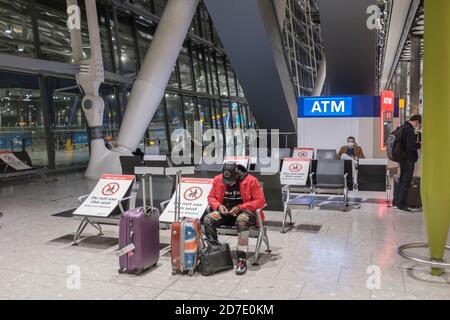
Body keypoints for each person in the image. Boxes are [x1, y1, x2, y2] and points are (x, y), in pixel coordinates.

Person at [204, 162, 266, 275]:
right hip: (226, 213)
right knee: (208, 219)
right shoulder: (218, 179)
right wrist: (218, 206)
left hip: (246, 213)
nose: (229, 184)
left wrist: (240, 207)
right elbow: (211, 196)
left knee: (241, 221)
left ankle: (241, 259)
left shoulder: (251, 180)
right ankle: (215, 252)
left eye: (231, 181)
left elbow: (261, 201)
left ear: (237, 175)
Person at [394, 114, 422, 212]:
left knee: (402, 180)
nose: (417, 125)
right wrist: (419, 145)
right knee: (406, 182)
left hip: (402, 159)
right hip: (408, 159)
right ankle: (402, 205)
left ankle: (397, 202)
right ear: (416, 121)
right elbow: (410, 146)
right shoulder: (409, 130)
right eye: (418, 123)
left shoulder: (402, 128)